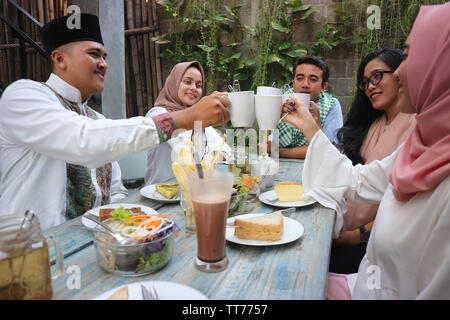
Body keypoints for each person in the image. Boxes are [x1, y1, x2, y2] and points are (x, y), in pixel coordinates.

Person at [281, 3, 450, 299]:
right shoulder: (425, 144)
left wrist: (354, 235)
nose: (399, 72)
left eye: (410, 55)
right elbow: (360, 181)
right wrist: (310, 128)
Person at [0, 14, 230, 230]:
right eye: (94, 54)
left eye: (104, 56)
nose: (104, 64)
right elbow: (84, 140)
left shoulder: (97, 119)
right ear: (60, 59)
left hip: (99, 244)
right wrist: (187, 118)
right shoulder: (23, 97)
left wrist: (134, 226)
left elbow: (116, 193)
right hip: (30, 254)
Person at [329, 48, 416, 274]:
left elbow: (410, 204)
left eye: (377, 76)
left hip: (375, 244)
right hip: (341, 227)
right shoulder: (372, 124)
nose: (369, 86)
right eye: (365, 82)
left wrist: (359, 235)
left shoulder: (418, 127)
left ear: (401, 75)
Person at [144, 61, 231, 184]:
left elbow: (226, 151)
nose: (194, 88)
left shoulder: (198, 117)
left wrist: (214, 154)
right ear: (174, 83)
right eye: (187, 82)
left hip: (190, 192)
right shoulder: (157, 114)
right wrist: (212, 155)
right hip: (158, 193)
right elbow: (184, 153)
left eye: (198, 85)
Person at [274, 56, 343, 159]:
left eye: (313, 79)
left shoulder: (331, 105)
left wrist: (277, 151)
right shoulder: (280, 101)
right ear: (293, 83)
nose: (305, 84)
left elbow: (327, 151)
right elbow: (265, 143)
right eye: (300, 78)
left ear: (324, 86)